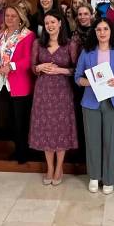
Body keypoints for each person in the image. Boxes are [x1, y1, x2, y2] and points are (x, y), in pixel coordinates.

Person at [75, 18, 114, 194]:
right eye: (98, 29)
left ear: (111, 31)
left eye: (105, 29)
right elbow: (77, 77)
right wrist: (89, 82)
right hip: (90, 102)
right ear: (94, 32)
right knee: (92, 140)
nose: (102, 32)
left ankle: (109, 179)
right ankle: (94, 176)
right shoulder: (87, 52)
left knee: (111, 141)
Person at [30, 10, 79, 185]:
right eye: (47, 23)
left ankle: (59, 167)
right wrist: (39, 67)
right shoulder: (38, 43)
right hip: (43, 92)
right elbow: (32, 67)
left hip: (62, 91)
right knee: (46, 129)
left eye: (53, 22)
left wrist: (61, 70)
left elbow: (77, 70)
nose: (49, 25)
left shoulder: (70, 44)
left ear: (60, 23)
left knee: (61, 128)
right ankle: (50, 168)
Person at [0, 5, 36, 164]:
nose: (9, 18)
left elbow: (29, 59)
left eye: (13, 16)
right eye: (7, 15)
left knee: (20, 121)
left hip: (19, 84)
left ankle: (24, 152)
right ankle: (17, 149)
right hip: (2, 83)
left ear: (21, 18)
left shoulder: (27, 35)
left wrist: (12, 66)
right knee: (8, 120)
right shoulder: (0, 35)